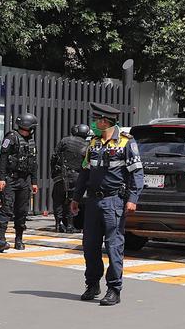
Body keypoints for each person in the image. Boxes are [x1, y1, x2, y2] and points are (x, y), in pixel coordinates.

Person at [69, 103, 143, 306]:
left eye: (96, 119)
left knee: (113, 246)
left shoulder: (126, 143)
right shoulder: (93, 143)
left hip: (114, 201)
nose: (94, 123)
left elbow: (137, 173)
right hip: (93, 202)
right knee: (90, 245)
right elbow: (85, 172)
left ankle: (114, 289)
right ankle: (92, 284)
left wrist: (132, 199)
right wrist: (76, 198)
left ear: (105, 121)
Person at [0, 113, 39, 253]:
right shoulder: (11, 138)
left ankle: (18, 240)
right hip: (10, 179)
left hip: (24, 181)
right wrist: (1, 178)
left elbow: (33, 163)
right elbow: (2, 159)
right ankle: (1, 241)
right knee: (6, 209)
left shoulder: (30, 141)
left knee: (22, 211)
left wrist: (34, 181)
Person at [52, 124, 89, 233]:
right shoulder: (87, 145)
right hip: (76, 176)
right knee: (72, 200)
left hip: (61, 175)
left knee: (58, 199)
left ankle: (58, 224)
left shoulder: (65, 141)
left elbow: (54, 157)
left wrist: (54, 172)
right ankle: (70, 225)